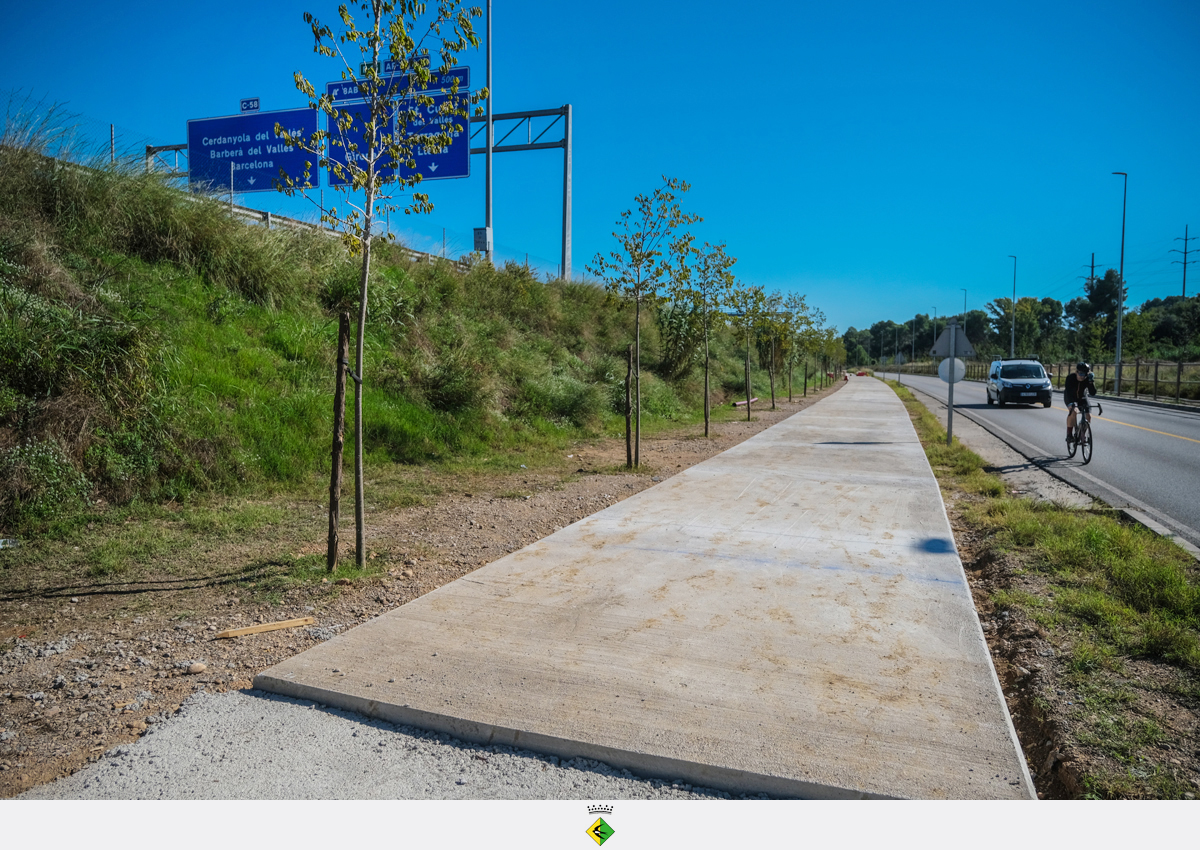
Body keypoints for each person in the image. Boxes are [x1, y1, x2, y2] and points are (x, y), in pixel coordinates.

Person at [1064, 362, 1097, 445]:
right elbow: (1068, 391)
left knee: (1088, 415)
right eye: (1081, 373)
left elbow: (1092, 393)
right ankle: (1069, 434)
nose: (1082, 376)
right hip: (1070, 397)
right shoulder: (1070, 378)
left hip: (1082, 397)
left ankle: (1082, 433)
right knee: (1073, 412)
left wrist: (1090, 382)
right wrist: (1072, 404)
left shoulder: (1087, 379)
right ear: (1076, 372)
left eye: (1085, 374)